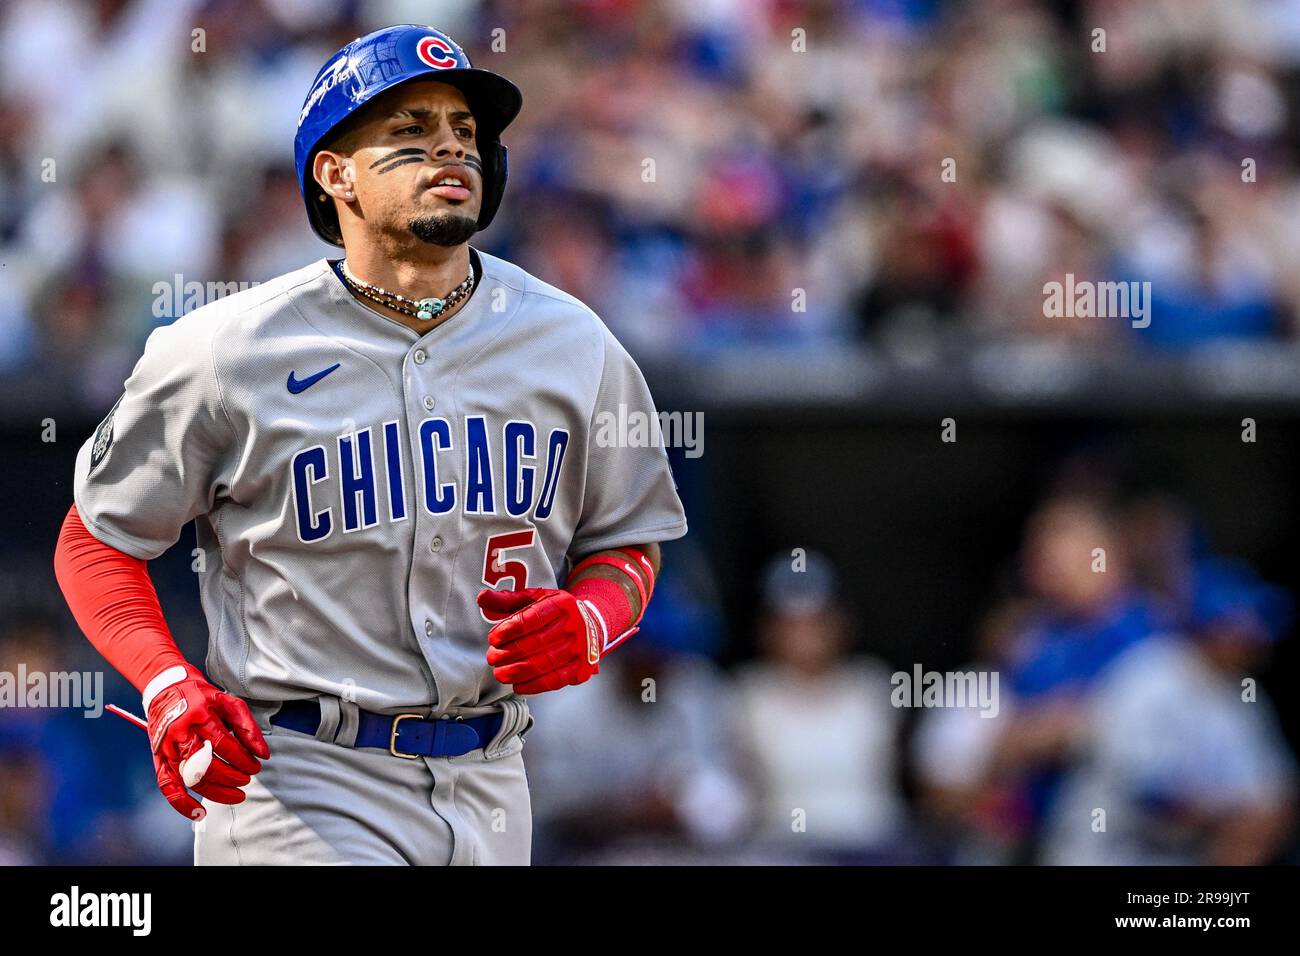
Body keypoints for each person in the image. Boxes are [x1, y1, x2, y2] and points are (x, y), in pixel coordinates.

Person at [52, 25, 686, 866]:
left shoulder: (574, 342)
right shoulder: (227, 350)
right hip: (305, 777)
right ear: (334, 172)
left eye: (465, 132)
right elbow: (96, 539)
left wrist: (596, 618)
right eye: (410, 131)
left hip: (497, 780)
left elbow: (627, 540)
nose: (451, 149)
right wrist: (169, 683)